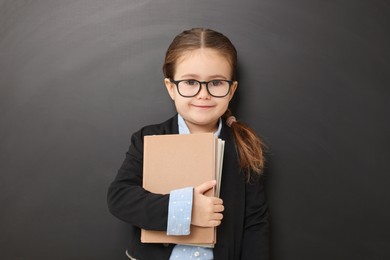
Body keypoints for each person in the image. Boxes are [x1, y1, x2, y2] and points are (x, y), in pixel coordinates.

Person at [107, 28, 269, 260]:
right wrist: (186, 210)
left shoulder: (243, 148)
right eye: (191, 82)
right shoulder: (148, 139)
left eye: (216, 82)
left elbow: (255, 222)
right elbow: (120, 198)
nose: (203, 94)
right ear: (171, 87)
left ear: (231, 89)